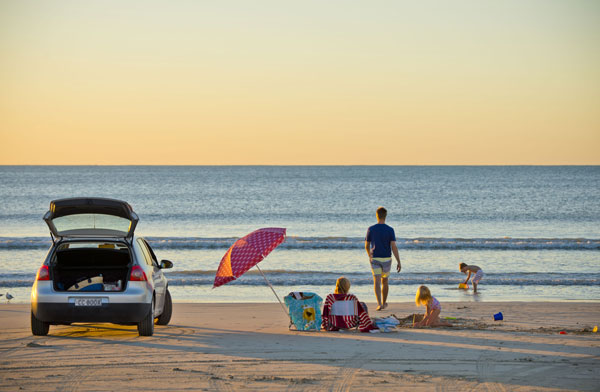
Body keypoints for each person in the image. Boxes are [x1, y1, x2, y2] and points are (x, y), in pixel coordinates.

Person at [365, 207, 401, 311]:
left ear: (377, 215)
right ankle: (384, 303)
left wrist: (369, 255)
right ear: (385, 216)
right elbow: (393, 246)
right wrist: (399, 261)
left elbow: (366, 245)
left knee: (376, 281)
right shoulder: (390, 229)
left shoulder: (371, 229)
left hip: (375, 258)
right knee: (385, 281)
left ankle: (379, 304)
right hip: (386, 258)